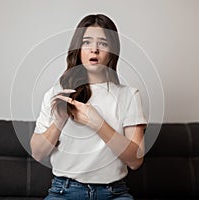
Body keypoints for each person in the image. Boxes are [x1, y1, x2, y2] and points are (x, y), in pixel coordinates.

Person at [30, 14, 147, 200]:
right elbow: (37, 153)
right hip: (63, 192)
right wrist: (59, 121)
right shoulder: (57, 94)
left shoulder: (129, 96)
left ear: (113, 51)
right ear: (78, 48)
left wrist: (98, 124)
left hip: (114, 193)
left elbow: (135, 160)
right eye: (87, 42)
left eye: (103, 43)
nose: (94, 49)